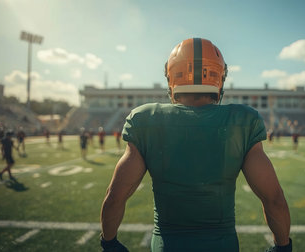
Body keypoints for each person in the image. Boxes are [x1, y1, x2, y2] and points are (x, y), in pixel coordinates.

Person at [100, 38, 291, 252]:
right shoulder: (243, 121)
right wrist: (282, 246)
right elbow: (273, 199)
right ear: (219, 77)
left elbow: (115, 196)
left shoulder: (146, 119)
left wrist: (109, 242)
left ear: (172, 77)